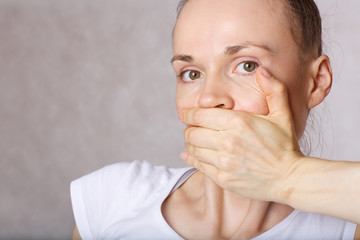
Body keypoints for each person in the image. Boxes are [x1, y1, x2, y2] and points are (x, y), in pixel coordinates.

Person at [71, 0, 360, 239]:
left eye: (247, 65)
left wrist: (287, 176)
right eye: (191, 73)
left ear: (316, 82)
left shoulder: (346, 228)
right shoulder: (109, 200)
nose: (208, 98)